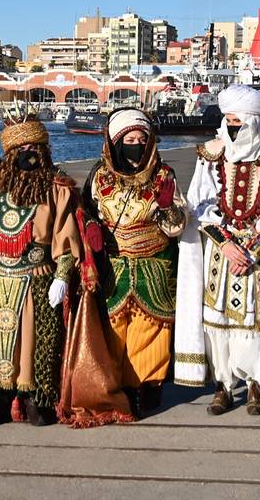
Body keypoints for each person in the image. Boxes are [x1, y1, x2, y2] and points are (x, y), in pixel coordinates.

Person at [0, 86, 83, 426]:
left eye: (33, 147)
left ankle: (35, 400)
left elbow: (66, 234)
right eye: (20, 148)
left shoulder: (57, 187)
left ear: (43, 149)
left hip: (37, 276)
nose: (28, 153)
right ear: (10, 152)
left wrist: (62, 276)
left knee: (37, 343)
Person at [173, 85, 260, 416]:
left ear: (254, 122)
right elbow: (201, 203)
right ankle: (223, 385)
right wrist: (226, 245)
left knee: (255, 318)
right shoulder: (212, 153)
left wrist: (252, 250)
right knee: (217, 318)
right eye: (228, 120)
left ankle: (255, 383)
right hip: (220, 251)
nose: (232, 127)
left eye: (238, 121)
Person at [79, 109, 188, 418]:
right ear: (116, 142)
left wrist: (168, 209)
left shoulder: (164, 175)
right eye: (129, 139)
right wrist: (89, 228)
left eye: (142, 139)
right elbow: (85, 210)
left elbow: (177, 227)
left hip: (154, 263)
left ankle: (144, 387)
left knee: (151, 330)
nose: (136, 144)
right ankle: (115, 387)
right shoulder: (99, 176)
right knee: (113, 330)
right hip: (113, 265)